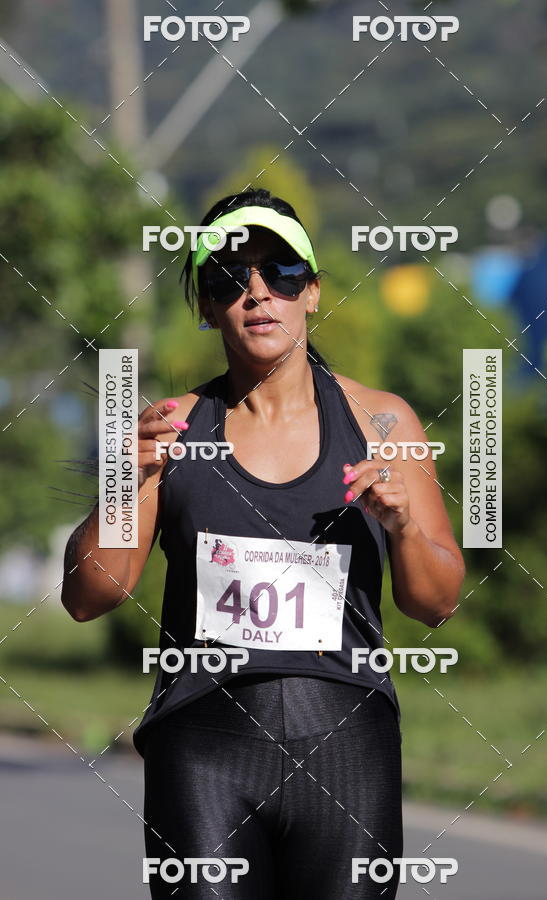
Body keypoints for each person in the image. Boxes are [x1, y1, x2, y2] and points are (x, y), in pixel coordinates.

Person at [61, 187, 465, 899]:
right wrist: (128, 483)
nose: (257, 293)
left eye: (280, 272)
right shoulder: (171, 427)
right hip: (203, 755)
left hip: (348, 750)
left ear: (312, 292)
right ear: (207, 305)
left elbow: (437, 603)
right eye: (228, 277)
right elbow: (90, 597)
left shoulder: (383, 422)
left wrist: (403, 527)